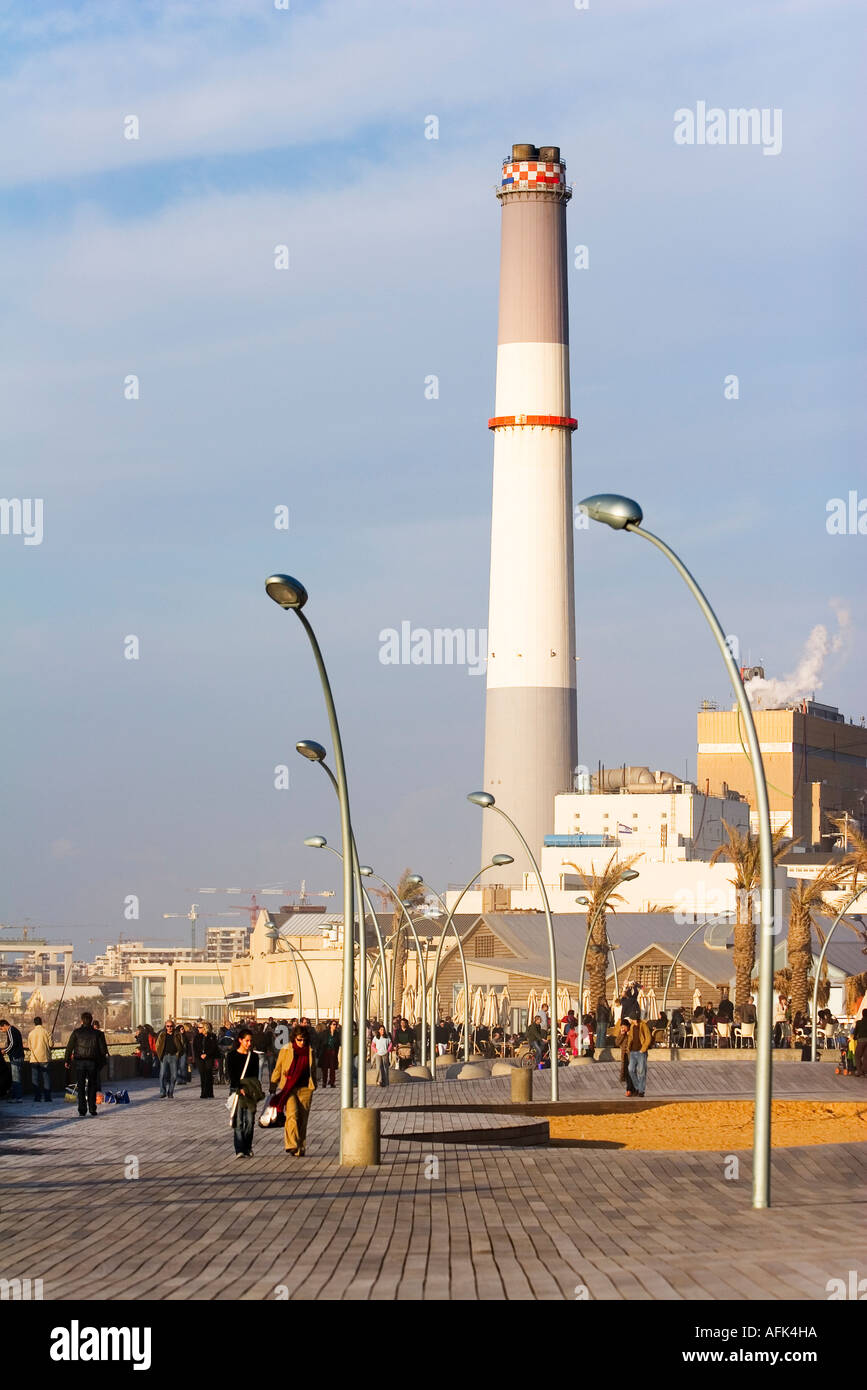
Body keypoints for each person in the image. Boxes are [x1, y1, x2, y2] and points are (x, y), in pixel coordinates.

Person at [271, 1025, 316, 1157]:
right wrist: (273, 1084)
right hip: (289, 1087)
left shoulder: (310, 1050)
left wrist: (315, 1083)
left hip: (305, 1088)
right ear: (294, 1039)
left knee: (303, 1119)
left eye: (304, 1040)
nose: (302, 1043)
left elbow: (312, 1069)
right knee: (292, 1115)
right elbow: (278, 1067)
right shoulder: (286, 1050)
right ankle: (291, 1144)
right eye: (299, 1040)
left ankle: (300, 1147)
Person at [63, 1011, 108, 1117]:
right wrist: (101, 1063)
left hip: (79, 1063)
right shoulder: (98, 1034)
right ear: (91, 1021)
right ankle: (92, 1108)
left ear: (82, 1021)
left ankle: (82, 1109)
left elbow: (69, 1048)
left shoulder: (76, 1032)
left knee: (81, 1086)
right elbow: (103, 1050)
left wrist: (67, 1061)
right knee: (92, 1086)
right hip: (93, 1062)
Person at [227, 1027, 260, 1158]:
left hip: (250, 1091)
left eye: (250, 1041)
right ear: (240, 1040)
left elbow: (255, 1076)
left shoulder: (254, 1057)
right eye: (246, 1041)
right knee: (239, 1121)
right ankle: (240, 1148)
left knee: (250, 1121)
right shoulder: (232, 1055)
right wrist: (238, 1087)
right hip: (237, 1090)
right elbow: (231, 1074)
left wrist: (252, 1090)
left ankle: (247, 1146)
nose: (249, 1043)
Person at [26, 1015, 53, 1101]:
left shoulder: (31, 1033)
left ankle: (37, 1097)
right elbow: (51, 1045)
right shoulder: (47, 1032)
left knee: (35, 1079)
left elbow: (30, 1047)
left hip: (34, 1059)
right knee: (46, 1078)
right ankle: (47, 1097)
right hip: (44, 1058)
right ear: (41, 1022)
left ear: (34, 1023)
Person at [624, 1015, 652, 1097]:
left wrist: (643, 1049)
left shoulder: (643, 1025)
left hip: (641, 1051)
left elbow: (648, 1038)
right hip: (633, 1051)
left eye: (632, 1019)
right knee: (630, 1069)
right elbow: (631, 1037)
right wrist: (628, 1047)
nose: (631, 1020)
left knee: (641, 1071)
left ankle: (641, 1091)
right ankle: (638, 1087)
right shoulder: (632, 1026)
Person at [0, 1019, 26, 1102]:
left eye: (1, 1028)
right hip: (19, 1056)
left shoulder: (10, 1030)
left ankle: (17, 1097)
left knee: (16, 1078)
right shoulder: (15, 1030)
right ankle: (17, 1096)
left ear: (4, 1025)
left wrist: (4, 1051)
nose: (2, 1030)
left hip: (15, 1057)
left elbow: (12, 1044)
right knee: (17, 1077)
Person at [155, 1019, 181, 1098]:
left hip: (174, 1056)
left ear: (173, 1027)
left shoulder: (177, 1035)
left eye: (171, 1026)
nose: (169, 1028)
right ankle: (162, 1092)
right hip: (165, 1056)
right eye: (168, 1026)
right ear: (165, 1027)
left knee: (174, 1075)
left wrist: (178, 1054)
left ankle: (170, 1091)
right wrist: (160, 1054)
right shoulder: (162, 1034)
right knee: (162, 1074)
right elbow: (157, 1045)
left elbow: (182, 1045)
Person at [197, 1022, 219, 1098]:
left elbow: (213, 1047)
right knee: (202, 1075)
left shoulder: (212, 1036)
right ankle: (203, 1092)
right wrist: (200, 1054)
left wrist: (207, 1054)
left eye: (200, 1027)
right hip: (200, 1058)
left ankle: (210, 1092)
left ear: (204, 1028)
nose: (198, 1029)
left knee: (209, 1074)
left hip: (209, 1057)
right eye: (198, 1027)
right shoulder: (197, 1036)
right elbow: (195, 1047)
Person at [319, 1020, 340, 1088]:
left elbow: (338, 1042)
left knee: (332, 1068)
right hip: (325, 1051)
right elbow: (321, 1041)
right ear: (330, 1025)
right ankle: (324, 1082)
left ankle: (332, 1082)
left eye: (336, 1024)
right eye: (333, 1024)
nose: (335, 1026)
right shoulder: (325, 1033)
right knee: (324, 1068)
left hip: (333, 1052)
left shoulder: (336, 1033)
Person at [852, 1010, 867, 1077]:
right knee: (866, 1057)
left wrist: (854, 1038)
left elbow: (855, 1033)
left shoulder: (859, 1023)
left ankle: (860, 1071)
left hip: (861, 1040)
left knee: (857, 1056)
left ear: (862, 1014)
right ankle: (865, 1071)